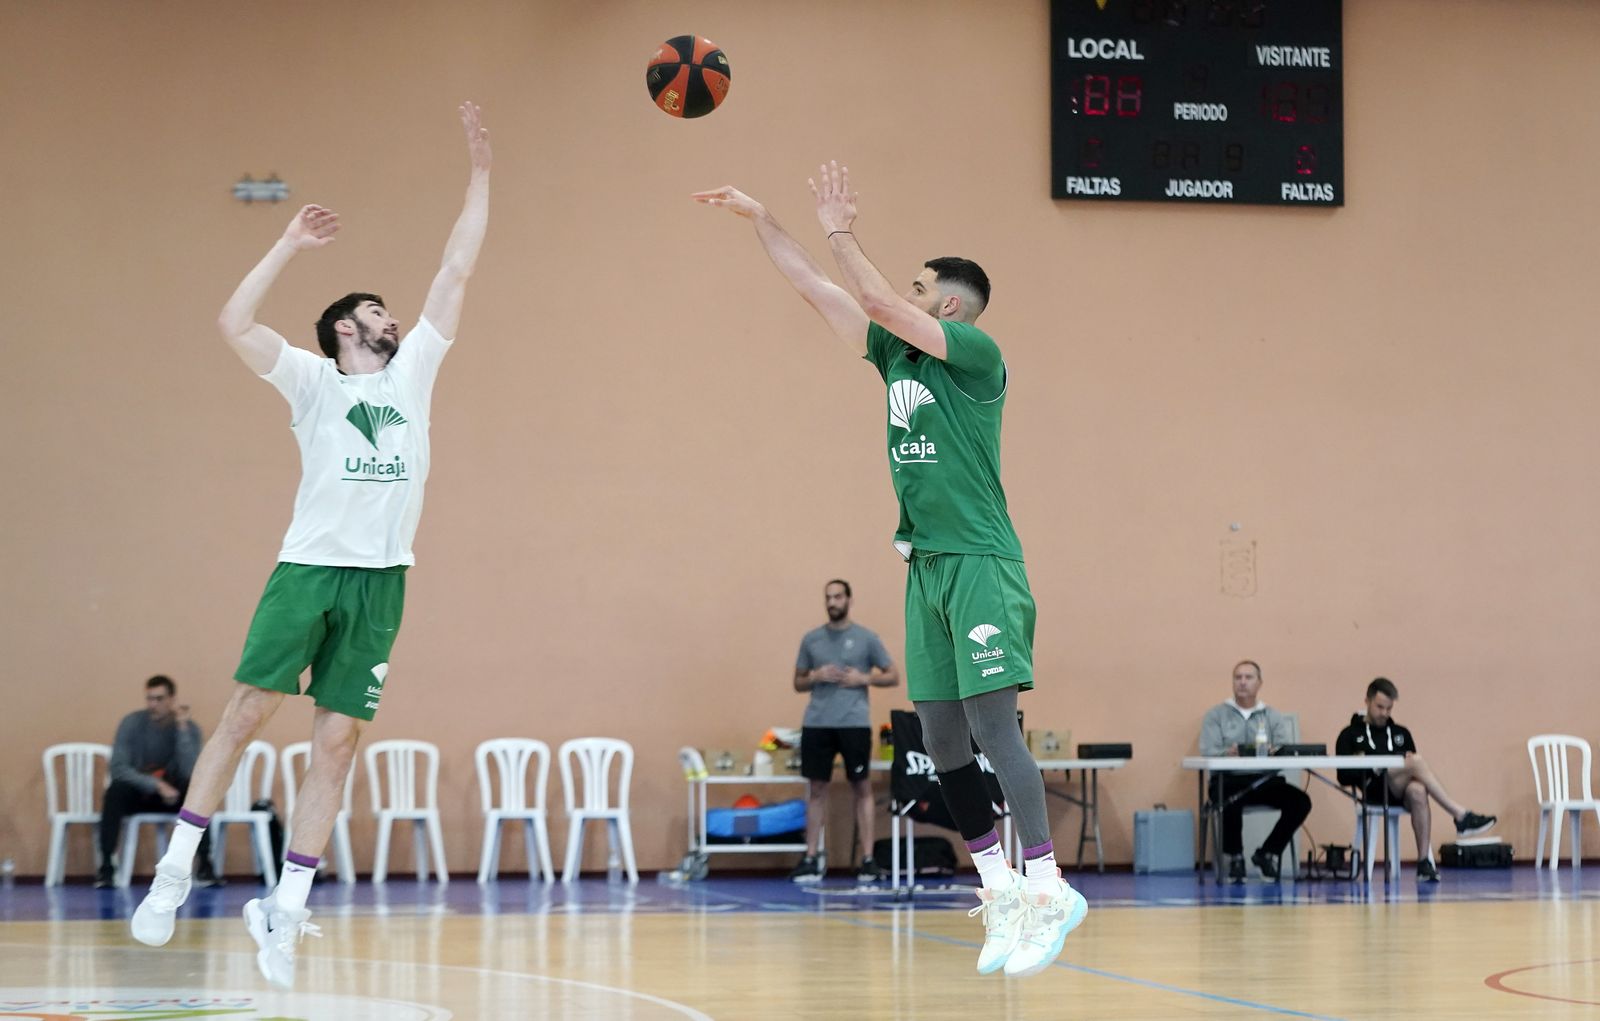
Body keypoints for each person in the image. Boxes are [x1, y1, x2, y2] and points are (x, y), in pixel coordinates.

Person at [130, 102, 491, 988]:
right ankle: (175, 870)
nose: (393, 316)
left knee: (338, 745)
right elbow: (231, 321)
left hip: (383, 581)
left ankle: (285, 909)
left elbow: (455, 267)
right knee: (247, 714)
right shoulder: (311, 380)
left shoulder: (414, 372)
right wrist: (288, 243)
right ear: (344, 329)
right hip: (309, 570)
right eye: (376, 309)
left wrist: (481, 174)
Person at [695, 163, 1085, 979]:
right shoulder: (894, 357)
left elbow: (873, 296)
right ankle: (1000, 887)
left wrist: (841, 227)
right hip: (926, 568)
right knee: (940, 738)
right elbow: (817, 288)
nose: (902, 293)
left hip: (982, 561)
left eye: (920, 286)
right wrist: (765, 217)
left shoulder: (977, 356)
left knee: (992, 728)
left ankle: (1050, 885)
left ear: (947, 304)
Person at [789, 579, 900, 884]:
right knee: (816, 790)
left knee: (861, 787)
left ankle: (866, 859)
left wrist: (864, 678)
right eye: (828, 598)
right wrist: (815, 675)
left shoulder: (866, 638)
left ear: (849, 600)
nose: (832, 602)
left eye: (838, 597)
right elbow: (798, 682)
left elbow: (893, 675)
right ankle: (811, 858)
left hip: (854, 722)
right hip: (818, 723)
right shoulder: (811, 640)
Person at [1335, 677, 1497, 881]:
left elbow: (1418, 775)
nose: (1384, 713)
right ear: (1366, 701)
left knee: (1418, 790)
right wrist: (1372, 766)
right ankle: (1460, 814)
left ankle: (1423, 863)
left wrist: (1403, 764)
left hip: (1399, 791)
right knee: (1415, 762)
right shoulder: (1349, 735)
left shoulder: (1400, 733)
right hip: (1372, 791)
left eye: (1389, 708)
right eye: (1380, 707)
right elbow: (1342, 776)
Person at [1197, 660, 1311, 882]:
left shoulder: (1272, 716)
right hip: (1228, 780)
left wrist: (1272, 752)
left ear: (1259, 683)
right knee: (1230, 798)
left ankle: (1268, 853)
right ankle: (1235, 858)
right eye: (1238, 677)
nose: (1242, 682)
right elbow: (1208, 750)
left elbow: (1284, 749)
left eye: (1248, 678)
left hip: (1265, 781)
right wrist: (1226, 754)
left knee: (1301, 801)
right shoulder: (1216, 715)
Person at [98, 676, 216, 888]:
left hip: (175, 795)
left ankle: (206, 865)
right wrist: (155, 785)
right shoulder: (131, 723)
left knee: (197, 792)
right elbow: (118, 768)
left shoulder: (190, 729)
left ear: (172, 699)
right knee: (115, 791)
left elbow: (190, 771)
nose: (153, 704)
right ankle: (106, 867)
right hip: (140, 793)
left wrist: (182, 728)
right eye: (150, 699)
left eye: (159, 699)